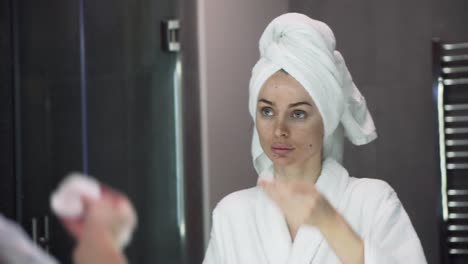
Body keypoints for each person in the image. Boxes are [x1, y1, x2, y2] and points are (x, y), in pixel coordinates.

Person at [203, 13, 427, 264]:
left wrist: (331, 224)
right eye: (267, 111)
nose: (279, 130)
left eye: (298, 114)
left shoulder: (372, 201)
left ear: (327, 121)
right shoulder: (232, 213)